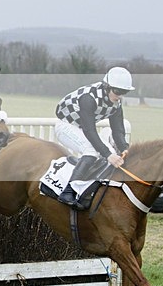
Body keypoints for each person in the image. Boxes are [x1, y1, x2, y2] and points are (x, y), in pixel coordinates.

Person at [55, 66, 133, 209]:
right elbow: (89, 130)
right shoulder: (88, 98)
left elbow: (118, 130)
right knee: (91, 151)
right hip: (65, 125)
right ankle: (68, 191)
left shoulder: (116, 102)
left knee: (111, 153)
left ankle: (89, 191)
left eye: (124, 92)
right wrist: (108, 155)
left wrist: (125, 148)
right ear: (107, 86)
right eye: (117, 91)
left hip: (82, 127)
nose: (120, 96)